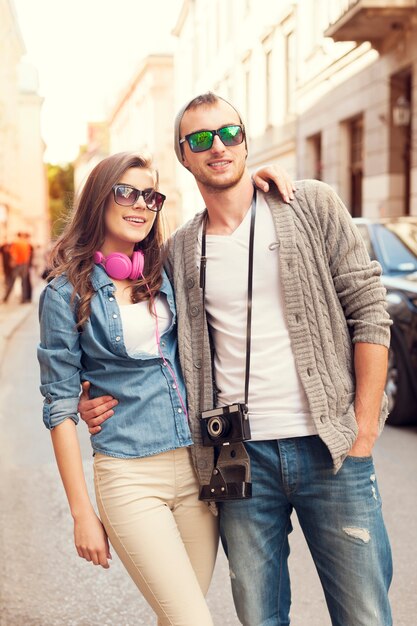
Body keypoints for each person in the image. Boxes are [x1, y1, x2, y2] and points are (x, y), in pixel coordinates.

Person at [80, 93, 393, 626]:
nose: (218, 146)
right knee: (259, 617)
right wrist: (93, 395)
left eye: (228, 133)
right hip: (238, 461)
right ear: (183, 156)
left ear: (245, 138)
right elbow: (144, 333)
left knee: (364, 614)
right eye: (200, 139)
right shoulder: (178, 248)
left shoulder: (309, 204)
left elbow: (369, 311)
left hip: (331, 450)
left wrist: (362, 429)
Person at [37, 149, 293, 626]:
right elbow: (58, 407)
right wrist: (81, 512)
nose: (140, 204)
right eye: (126, 192)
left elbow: (222, 224)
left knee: (176, 618)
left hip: (199, 470)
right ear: (99, 197)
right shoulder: (64, 293)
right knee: (194, 620)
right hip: (130, 476)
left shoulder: (165, 268)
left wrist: (252, 181)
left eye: (151, 196)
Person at [2, 232, 32, 303]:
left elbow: (13, 254)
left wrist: (12, 262)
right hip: (24, 264)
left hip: (18, 264)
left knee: (11, 281)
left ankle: (6, 298)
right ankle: (24, 299)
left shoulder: (16, 243)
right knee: (24, 282)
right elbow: (28, 256)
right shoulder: (26, 243)